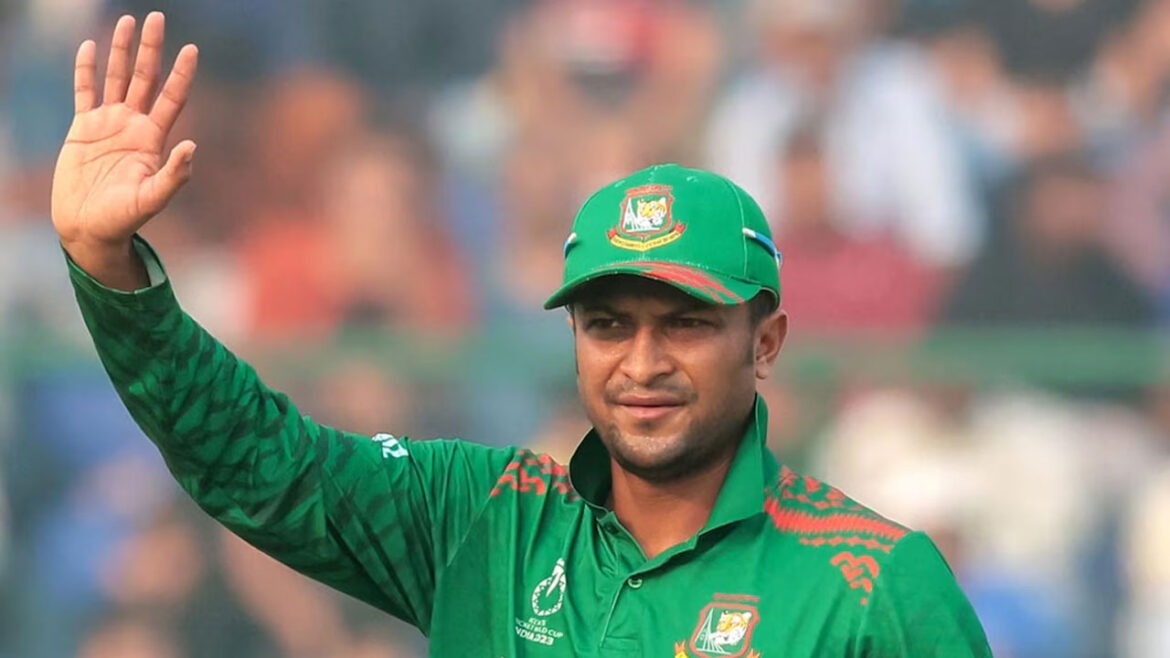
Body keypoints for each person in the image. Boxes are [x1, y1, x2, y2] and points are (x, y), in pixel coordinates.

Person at [51, 13, 991, 657]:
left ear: (767, 341)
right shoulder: (486, 521)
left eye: (687, 323)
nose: (642, 362)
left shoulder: (874, 584)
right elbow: (258, 461)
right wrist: (108, 266)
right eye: (608, 324)